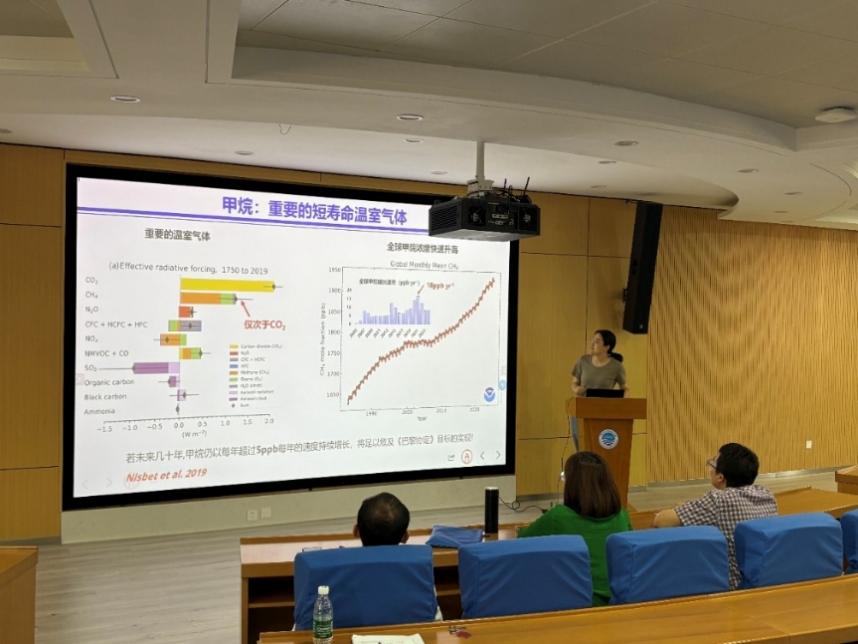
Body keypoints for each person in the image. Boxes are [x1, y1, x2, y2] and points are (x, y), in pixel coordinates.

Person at [652, 443, 777, 590]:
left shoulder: (719, 500)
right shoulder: (767, 495)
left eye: (712, 463)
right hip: (765, 580)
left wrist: (677, 509)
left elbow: (661, 521)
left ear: (720, 477)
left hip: (734, 587)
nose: (710, 466)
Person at [517, 452, 632, 606]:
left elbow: (522, 542)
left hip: (580, 605)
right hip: (621, 600)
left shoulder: (558, 517)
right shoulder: (622, 515)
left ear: (573, 484)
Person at [570, 329, 628, 449]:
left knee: (600, 447)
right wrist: (577, 389)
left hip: (604, 411)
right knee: (582, 447)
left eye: (597, 341)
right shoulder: (583, 361)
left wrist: (624, 402)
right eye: (593, 340)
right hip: (581, 409)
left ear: (607, 346)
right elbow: (574, 383)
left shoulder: (616, 366)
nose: (592, 343)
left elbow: (625, 388)